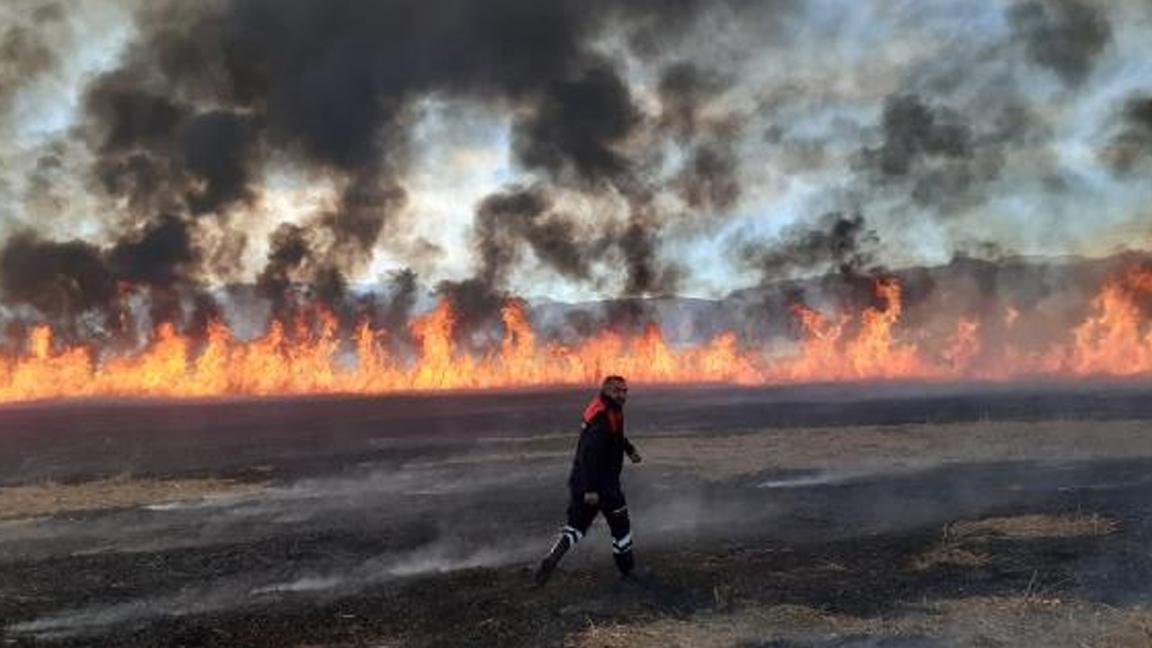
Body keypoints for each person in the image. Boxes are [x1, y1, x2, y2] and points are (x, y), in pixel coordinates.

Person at [535, 375, 642, 586]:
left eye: (625, 391)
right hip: (602, 484)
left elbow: (616, 435)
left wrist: (629, 450)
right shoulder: (603, 416)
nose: (622, 395)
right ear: (606, 391)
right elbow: (590, 453)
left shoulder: (606, 409)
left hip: (582, 480)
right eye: (617, 391)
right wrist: (591, 489)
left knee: (576, 526)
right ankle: (627, 571)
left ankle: (552, 559)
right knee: (621, 526)